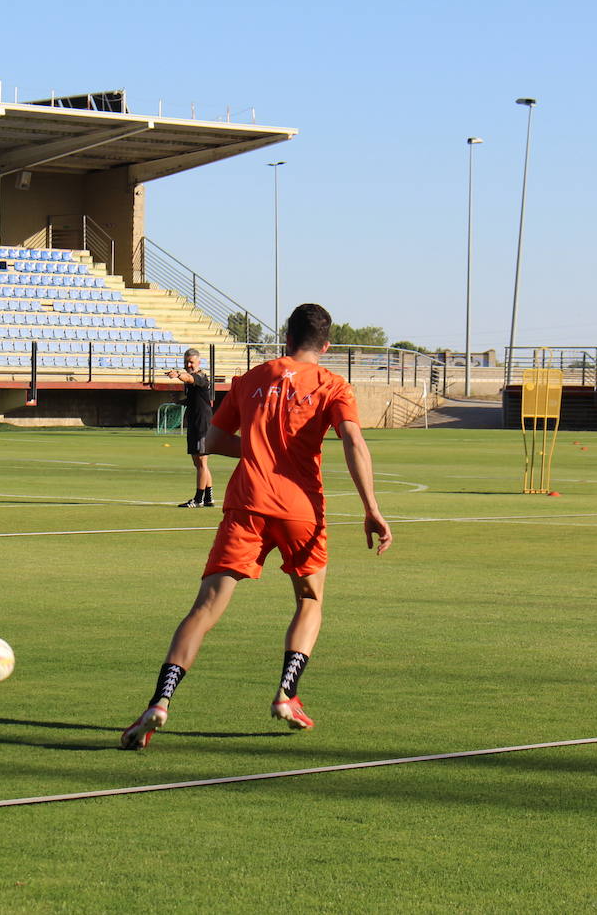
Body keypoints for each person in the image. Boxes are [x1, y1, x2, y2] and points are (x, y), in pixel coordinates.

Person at [121, 303, 393, 750]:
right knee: (310, 599)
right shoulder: (333, 385)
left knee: (205, 608)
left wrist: (259, 448)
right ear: (325, 346)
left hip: (247, 504)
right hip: (301, 509)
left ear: (285, 339)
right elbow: (353, 440)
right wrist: (372, 507)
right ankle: (287, 693)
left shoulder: (251, 379)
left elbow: (212, 441)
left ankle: (160, 701)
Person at [165, 348, 214, 507]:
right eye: (186, 362)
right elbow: (193, 400)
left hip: (202, 424)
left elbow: (189, 378)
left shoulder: (200, 376)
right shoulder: (190, 380)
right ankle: (208, 497)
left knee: (201, 461)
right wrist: (179, 401)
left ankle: (198, 499)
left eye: (191, 362)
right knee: (199, 462)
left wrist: (178, 375)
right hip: (194, 423)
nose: (188, 365)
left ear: (199, 362)